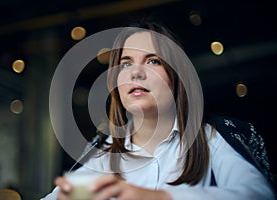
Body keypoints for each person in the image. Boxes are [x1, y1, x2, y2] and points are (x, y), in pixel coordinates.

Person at [41, 21, 275, 200]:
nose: (136, 72)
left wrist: (158, 197)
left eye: (153, 61)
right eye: (126, 63)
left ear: (177, 77)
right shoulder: (104, 151)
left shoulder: (211, 137)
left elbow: (258, 194)